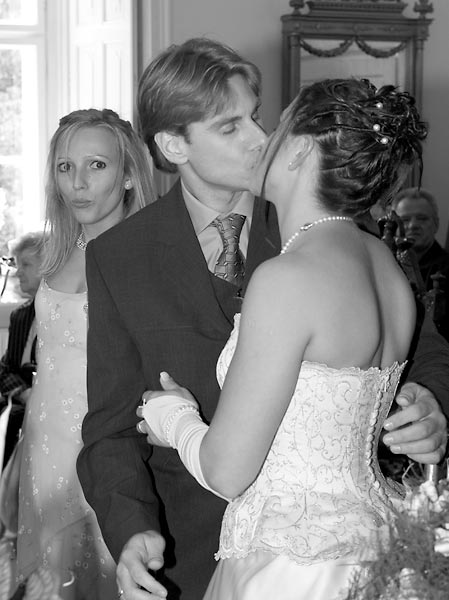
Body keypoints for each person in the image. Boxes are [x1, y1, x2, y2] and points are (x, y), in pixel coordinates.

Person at [76, 39, 448, 600]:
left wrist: (433, 403)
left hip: (305, 565)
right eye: (231, 127)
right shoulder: (118, 256)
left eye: (258, 116)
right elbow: (108, 425)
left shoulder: (345, 237)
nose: (260, 138)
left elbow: (426, 350)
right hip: (180, 553)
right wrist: (131, 528)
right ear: (174, 144)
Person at [13, 108, 156, 600]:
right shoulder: (58, 249)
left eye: (96, 165)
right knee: (51, 581)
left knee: (105, 574)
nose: (78, 183)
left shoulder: (145, 258)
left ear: (129, 174)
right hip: (43, 442)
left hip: (104, 447)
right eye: (65, 167)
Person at [0, 231, 46, 468]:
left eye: (26, 264)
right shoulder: (20, 316)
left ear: (50, 266)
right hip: (20, 401)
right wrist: (24, 393)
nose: (18, 272)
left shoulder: (71, 316)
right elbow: (4, 369)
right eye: (17, 265)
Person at [392, 187, 449, 341]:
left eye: (422, 218)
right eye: (405, 220)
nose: (413, 225)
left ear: (436, 224)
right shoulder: (385, 265)